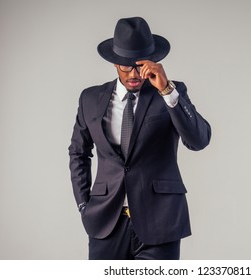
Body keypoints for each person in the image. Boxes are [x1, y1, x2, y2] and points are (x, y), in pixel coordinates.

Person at [68, 16, 211, 260]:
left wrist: (167, 90)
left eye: (140, 65)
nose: (134, 74)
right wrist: (84, 205)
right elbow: (78, 153)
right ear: (115, 63)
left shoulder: (170, 92)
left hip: (160, 223)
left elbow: (199, 140)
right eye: (127, 66)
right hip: (106, 224)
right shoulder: (90, 99)